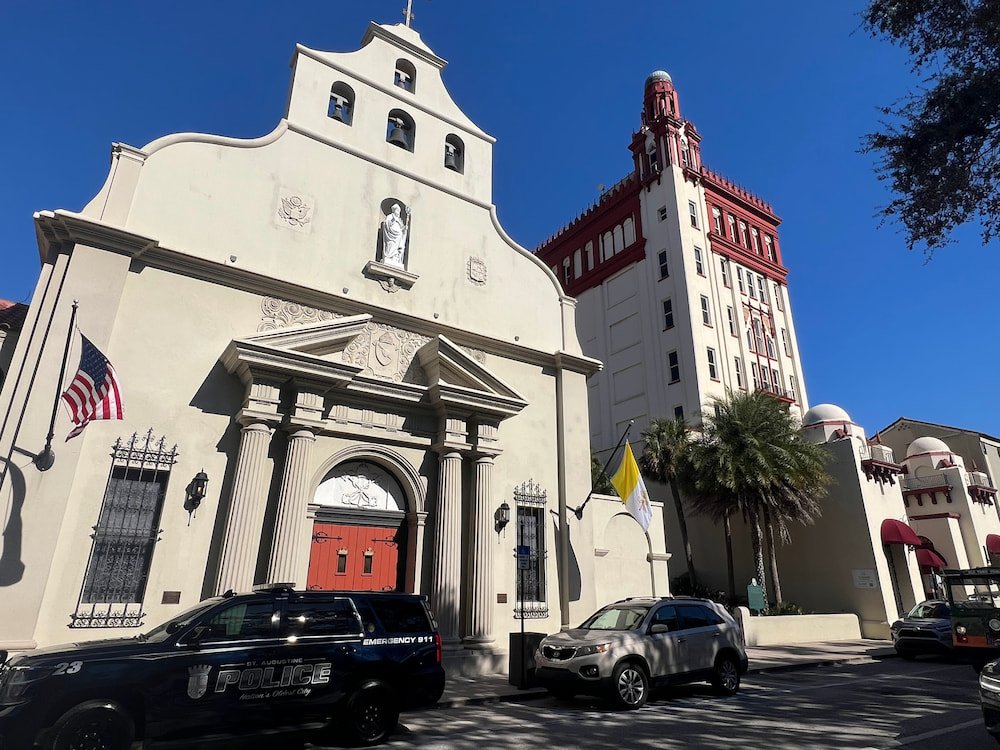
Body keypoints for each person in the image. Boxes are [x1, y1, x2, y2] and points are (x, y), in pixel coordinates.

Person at [381, 204, 410, 268]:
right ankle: (389, 257)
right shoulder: (390, 216)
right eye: (397, 210)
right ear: (394, 210)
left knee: (398, 249)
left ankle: (395, 258)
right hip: (391, 236)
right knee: (390, 245)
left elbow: (402, 228)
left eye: (399, 211)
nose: (398, 212)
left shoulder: (399, 219)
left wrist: (405, 228)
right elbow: (386, 224)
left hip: (398, 237)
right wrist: (392, 221)